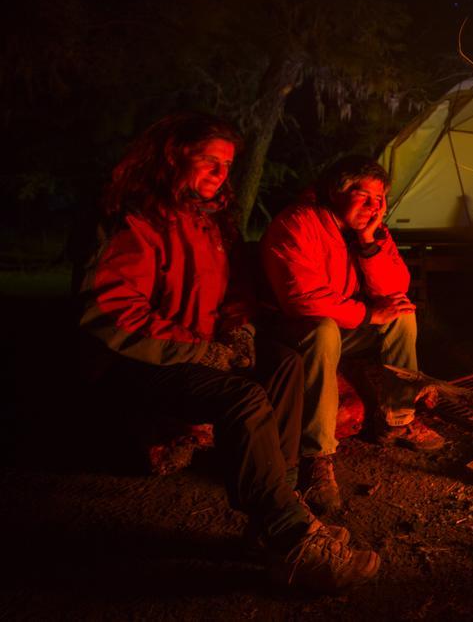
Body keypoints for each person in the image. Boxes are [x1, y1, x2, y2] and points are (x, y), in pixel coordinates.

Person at [77, 112, 378, 592]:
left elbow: (233, 291)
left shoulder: (212, 223)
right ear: (173, 158)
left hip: (195, 349)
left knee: (284, 362)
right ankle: (291, 538)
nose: (220, 177)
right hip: (135, 359)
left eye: (226, 167)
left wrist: (237, 328)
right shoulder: (133, 218)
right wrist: (200, 351)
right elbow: (111, 312)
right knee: (242, 399)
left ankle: (274, 514)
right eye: (209, 163)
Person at [261, 155, 444, 514]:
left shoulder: (368, 231)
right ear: (335, 191)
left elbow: (396, 288)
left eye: (380, 199)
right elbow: (300, 299)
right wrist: (365, 313)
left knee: (402, 317)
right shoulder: (298, 223)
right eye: (364, 196)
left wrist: (368, 243)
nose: (374, 206)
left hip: (345, 324)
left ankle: (397, 419)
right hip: (292, 330)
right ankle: (317, 455)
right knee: (325, 329)